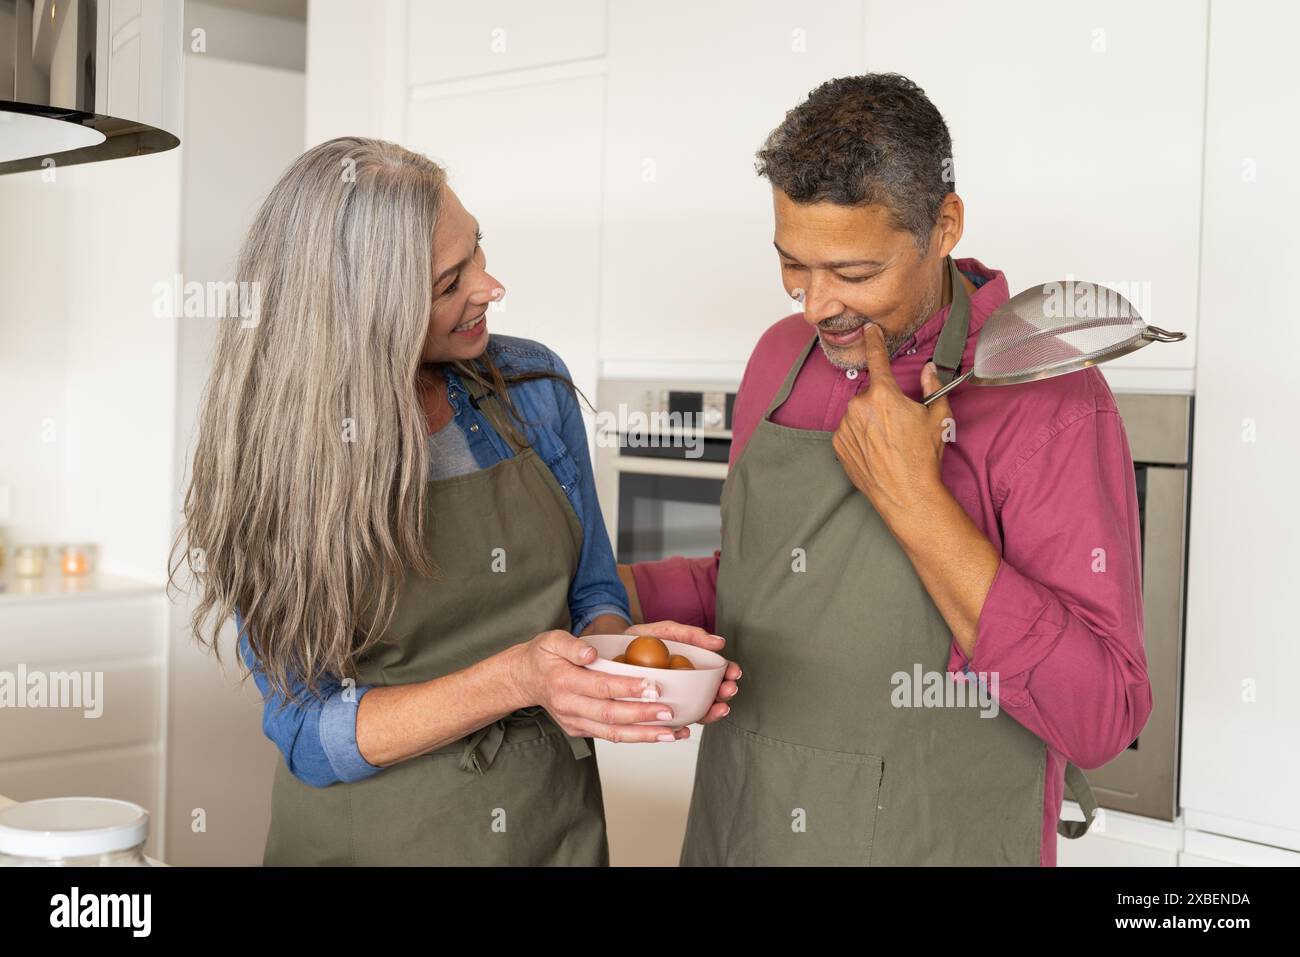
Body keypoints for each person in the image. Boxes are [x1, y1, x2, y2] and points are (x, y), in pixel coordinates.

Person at [619, 74, 1153, 866]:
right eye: (792, 264)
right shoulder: (779, 355)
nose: (814, 305)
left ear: (944, 226)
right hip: (744, 830)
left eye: (855, 274)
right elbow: (764, 583)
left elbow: (1103, 715)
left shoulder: (1053, 398)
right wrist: (609, 593)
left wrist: (916, 503)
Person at [171, 137, 741, 866]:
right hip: (378, 840)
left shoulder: (531, 386)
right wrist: (514, 677)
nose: (489, 285)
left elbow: (592, 588)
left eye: (477, 251)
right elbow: (308, 731)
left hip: (553, 827)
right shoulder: (282, 455)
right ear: (361, 312)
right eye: (449, 283)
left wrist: (620, 661)